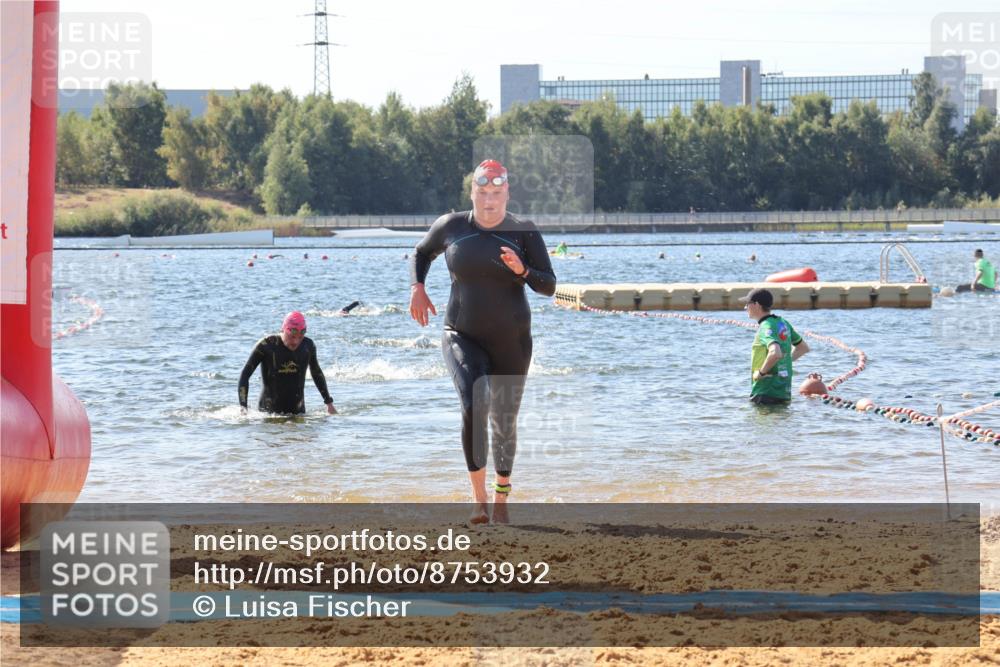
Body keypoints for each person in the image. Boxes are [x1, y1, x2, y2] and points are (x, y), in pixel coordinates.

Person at [408, 159, 556, 524]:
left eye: (496, 193)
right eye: (482, 193)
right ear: (472, 192)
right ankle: (479, 501)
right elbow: (421, 253)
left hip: (513, 339)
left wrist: (523, 270)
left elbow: (549, 286)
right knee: (475, 401)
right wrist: (418, 288)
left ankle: (502, 494)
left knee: (505, 421)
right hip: (461, 333)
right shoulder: (452, 226)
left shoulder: (524, 231)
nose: (489, 201)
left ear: (507, 193)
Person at [238, 311, 337, 415]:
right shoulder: (266, 345)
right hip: (268, 415)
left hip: (298, 414)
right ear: (283, 329)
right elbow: (245, 375)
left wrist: (329, 403)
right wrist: (243, 408)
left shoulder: (308, 346)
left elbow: (316, 373)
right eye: (292, 336)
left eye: (300, 337)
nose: (295, 342)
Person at [740, 288, 809, 405]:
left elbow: (775, 353)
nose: (745, 308)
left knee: (759, 422)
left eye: (747, 304)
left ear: (756, 305)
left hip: (765, 391)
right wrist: (783, 362)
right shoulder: (783, 323)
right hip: (783, 391)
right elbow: (803, 348)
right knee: (780, 422)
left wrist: (761, 373)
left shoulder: (765, 327)